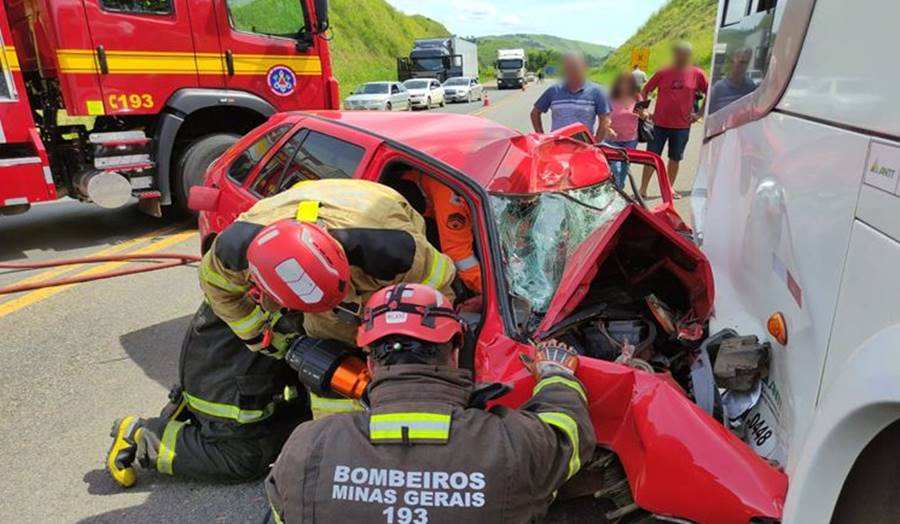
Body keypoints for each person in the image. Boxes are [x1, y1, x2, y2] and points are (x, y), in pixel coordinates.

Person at [106, 179, 456, 488]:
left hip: (369, 216)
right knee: (250, 448)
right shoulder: (234, 251)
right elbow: (219, 291)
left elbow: (439, 303)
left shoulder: (394, 253)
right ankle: (142, 434)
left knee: (336, 372)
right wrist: (259, 334)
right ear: (256, 281)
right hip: (227, 355)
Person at [265, 283, 596, 524]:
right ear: (454, 353)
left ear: (370, 365)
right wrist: (555, 374)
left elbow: (284, 511)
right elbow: (567, 434)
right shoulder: (513, 445)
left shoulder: (306, 448)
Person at [639, 41, 709, 198]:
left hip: (682, 126)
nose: (682, 57)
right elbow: (645, 90)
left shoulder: (697, 74)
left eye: (685, 55)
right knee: (651, 157)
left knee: (675, 158)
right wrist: (644, 110)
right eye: (679, 54)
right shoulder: (662, 72)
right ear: (675, 54)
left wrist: (699, 114)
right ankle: (643, 188)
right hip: (658, 124)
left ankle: (668, 188)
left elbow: (710, 91)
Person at [397, 169, 482, 294]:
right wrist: (488, 290)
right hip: (415, 211)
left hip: (431, 204)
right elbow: (459, 255)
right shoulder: (454, 201)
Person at [531, 52, 611, 142]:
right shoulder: (554, 90)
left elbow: (605, 120)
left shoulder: (596, 92)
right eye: (568, 68)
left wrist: (596, 142)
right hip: (557, 146)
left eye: (575, 67)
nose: (571, 71)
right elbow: (535, 113)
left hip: (584, 146)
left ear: (584, 68)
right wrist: (542, 137)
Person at [605, 72, 649, 188]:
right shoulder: (610, 97)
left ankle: (619, 187)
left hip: (630, 138)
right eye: (622, 83)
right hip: (611, 138)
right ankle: (617, 186)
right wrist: (607, 128)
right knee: (615, 167)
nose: (624, 86)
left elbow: (644, 114)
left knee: (625, 166)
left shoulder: (637, 97)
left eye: (627, 83)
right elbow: (603, 116)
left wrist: (643, 114)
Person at [708, 48, 756, 113]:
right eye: (741, 62)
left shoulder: (750, 86)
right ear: (732, 63)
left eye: (746, 63)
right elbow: (711, 116)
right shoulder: (718, 88)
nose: (743, 66)